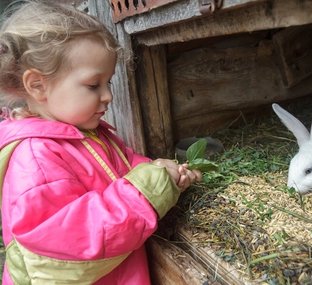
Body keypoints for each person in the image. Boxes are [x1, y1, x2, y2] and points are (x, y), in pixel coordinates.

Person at [0, 1, 202, 284]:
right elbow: (72, 242)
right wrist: (146, 193)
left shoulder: (88, 133)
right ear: (37, 85)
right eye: (94, 85)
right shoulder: (35, 158)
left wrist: (160, 172)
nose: (108, 95)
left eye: (109, 82)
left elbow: (123, 166)